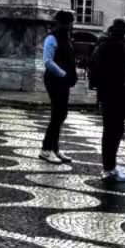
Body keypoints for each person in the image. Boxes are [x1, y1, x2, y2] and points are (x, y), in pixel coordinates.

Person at [89, 18, 125, 183]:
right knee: (112, 131)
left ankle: (110, 166)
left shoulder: (119, 47)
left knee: (116, 130)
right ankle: (108, 168)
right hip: (113, 93)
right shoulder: (110, 47)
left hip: (115, 94)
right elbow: (97, 70)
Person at [39, 9, 77, 164]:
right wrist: (63, 74)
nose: (69, 26)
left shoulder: (66, 38)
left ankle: (54, 148)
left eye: (70, 23)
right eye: (67, 23)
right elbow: (47, 61)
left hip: (64, 81)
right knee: (57, 115)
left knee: (61, 114)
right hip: (54, 80)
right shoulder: (51, 38)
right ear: (60, 23)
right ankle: (46, 149)